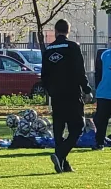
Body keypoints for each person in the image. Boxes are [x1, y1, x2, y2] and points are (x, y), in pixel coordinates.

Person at [42, 19, 93, 173]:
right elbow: (79, 70)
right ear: (68, 31)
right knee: (77, 127)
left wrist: (50, 91)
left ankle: (63, 164)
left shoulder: (48, 49)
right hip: (72, 93)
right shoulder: (72, 47)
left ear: (56, 31)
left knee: (59, 127)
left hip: (56, 96)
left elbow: (44, 75)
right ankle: (60, 154)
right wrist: (87, 89)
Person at [93, 47, 111, 150]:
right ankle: (99, 143)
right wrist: (98, 88)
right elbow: (98, 74)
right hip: (104, 94)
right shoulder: (104, 54)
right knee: (101, 120)